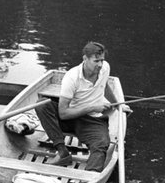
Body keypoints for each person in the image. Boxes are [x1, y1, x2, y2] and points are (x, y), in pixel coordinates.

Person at [36, 41, 114, 172]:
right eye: (96, 61)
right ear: (85, 59)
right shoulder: (71, 77)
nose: (100, 65)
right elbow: (63, 113)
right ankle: (62, 153)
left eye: (102, 60)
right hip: (70, 117)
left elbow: (105, 85)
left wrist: (118, 106)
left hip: (92, 121)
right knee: (41, 105)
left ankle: (90, 177)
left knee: (101, 144)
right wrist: (92, 107)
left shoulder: (105, 68)